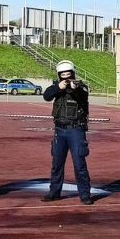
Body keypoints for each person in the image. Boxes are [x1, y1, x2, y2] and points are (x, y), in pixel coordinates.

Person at [42, 60, 93, 204]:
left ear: (73, 74)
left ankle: (85, 195)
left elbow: (83, 96)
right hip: (60, 129)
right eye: (63, 75)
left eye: (68, 75)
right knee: (57, 164)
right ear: (59, 76)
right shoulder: (56, 87)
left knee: (79, 164)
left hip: (76, 130)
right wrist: (58, 87)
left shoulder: (80, 87)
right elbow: (46, 96)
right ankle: (54, 192)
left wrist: (74, 88)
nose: (66, 78)